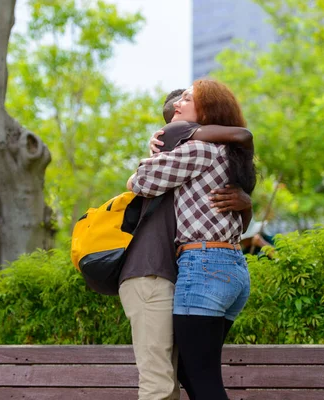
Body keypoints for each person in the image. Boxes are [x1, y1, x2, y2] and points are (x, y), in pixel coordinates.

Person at [118, 88, 253, 400]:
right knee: (190, 375)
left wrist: (158, 152)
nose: (178, 107)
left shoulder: (198, 150)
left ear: (205, 118)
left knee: (198, 380)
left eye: (187, 102)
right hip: (229, 268)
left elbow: (139, 181)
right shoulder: (227, 156)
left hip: (203, 267)